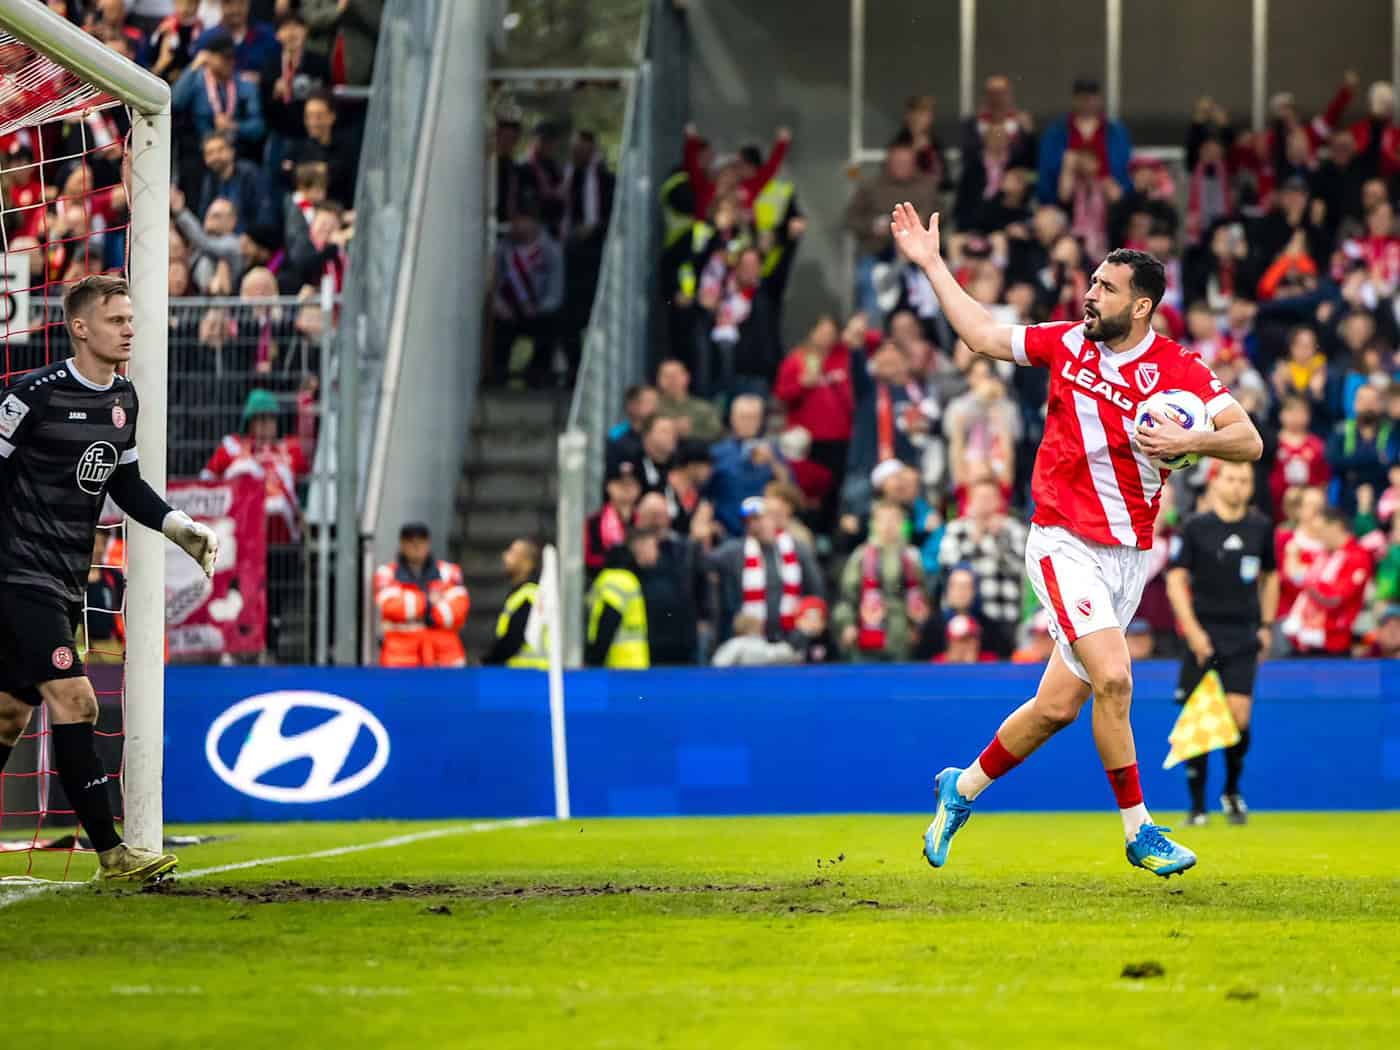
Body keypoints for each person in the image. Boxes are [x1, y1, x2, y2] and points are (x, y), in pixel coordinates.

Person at [892, 200, 1262, 877]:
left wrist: (1194, 440)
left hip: (1129, 558)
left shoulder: (1179, 371)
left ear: (1142, 306)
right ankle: (1139, 831)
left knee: (1058, 707)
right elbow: (979, 333)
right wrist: (931, 264)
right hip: (1063, 542)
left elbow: (1249, 439)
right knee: (1116, 680)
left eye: (1105, 288)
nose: (1089, 295)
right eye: (1090, 284)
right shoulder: (1066, 343)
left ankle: (961, 788)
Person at [0, 275, 219, 883]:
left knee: (8, 716)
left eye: (130, 318)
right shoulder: (33, 396)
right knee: (78, 699)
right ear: (80, 327)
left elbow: (123, 484)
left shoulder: (122, 398)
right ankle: (113, 856)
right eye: (117, 319)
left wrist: (178, 525)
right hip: (19, 575)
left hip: (65, 579)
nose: (129, 328)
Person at [1165, 460, 1278, 827]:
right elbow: (1175, 579)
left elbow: (1271, 576)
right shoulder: (1197, 527)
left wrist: (1266, 625)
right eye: (1230, 479)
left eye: (1244, 480)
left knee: (1239, 717)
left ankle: (1231, 789)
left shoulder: (1261, 527)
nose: (1237, 486)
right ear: (1216, 483)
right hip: (1204, 631)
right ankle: (1197, 807)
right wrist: (1193, 631)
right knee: (1197, 718)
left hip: (1243, 633)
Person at [707, 496, 821, 643]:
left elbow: (815, 591)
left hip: (792, 639)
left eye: (759, 518)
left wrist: (808, 619)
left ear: (773, 519)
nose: (755, 525)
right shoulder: (735, 552)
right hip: (748, 639)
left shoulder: (798, 550)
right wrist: (703, 540)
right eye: (749, 521)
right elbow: (705, 563)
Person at [832, 500, 928, 663]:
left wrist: (917, 627)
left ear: (902, 524)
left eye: (894, 520)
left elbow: (921, 595)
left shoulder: (911, 556)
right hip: (867, 632)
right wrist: (847, 624)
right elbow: (847, 596)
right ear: (874, 524)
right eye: (883, 520)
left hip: (901, 635)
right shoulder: (861, 555)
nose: (888, 525)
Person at [371, 523, 469, 668]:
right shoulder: (386, 573)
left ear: (428, 543)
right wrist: (430, 601)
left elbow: (457, 610)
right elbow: (391, 607)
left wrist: (412, 605)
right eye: (411, 541)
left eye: (421, 541)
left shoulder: (449, 571)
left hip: (445, 659)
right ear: (402, 544)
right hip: (400, 660)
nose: (416, 546)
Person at [1282, 506, 1372, 656]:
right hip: (1304, 641)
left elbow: (1335, 597)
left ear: (1336, 527)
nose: (1318, 536)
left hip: (1332, 645)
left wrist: (1307, 580)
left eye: (1321, 530)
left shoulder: (1357, 556)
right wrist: (1291, 556)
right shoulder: (1323, 555)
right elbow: (1293, 578)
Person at [585, 527, 656, 669]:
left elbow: (607, 621)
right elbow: (609, 620)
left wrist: (594, 660)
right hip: (626, 665)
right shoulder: (623, 579)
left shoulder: (620, 579)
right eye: (653, 547)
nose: (656, 553)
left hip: (622, 664)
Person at [482, 538, 548, 669]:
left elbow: (513, 638)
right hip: (526, 674)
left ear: (527, 563)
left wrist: (489, 661)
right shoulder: (525, 593)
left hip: (528, 675)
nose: (505, 556)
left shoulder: (528, 595)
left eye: (512, 553)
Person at [655, 358, 723, 444]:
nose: (672, 380)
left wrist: (691, 432)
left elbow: (717, 433)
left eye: (675, 375)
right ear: (659, 380)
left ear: (686, 377)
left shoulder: (704, 408)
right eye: (666, 376)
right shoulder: (652, 407)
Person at [710, 613, 799, 667]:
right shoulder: (736, 644)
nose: (761, 628)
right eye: (757, 625)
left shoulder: (760, 642)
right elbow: (720, 663)